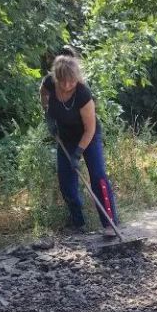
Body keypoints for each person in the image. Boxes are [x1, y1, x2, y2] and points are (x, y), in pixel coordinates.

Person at [40, 54, 119, 236]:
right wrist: (48, 115)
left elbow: (89, 130)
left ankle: (109, 224)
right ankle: (78, 223)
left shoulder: (83, 94)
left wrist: (78, 154)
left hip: (88, 137)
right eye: (63, 82)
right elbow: (43, 93)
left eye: (71, 81)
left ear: (76, 78)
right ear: (56, 78)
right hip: (66, 137)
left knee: (98, 176)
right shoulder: (50, 83)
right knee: (66, 182)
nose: (67, 86)